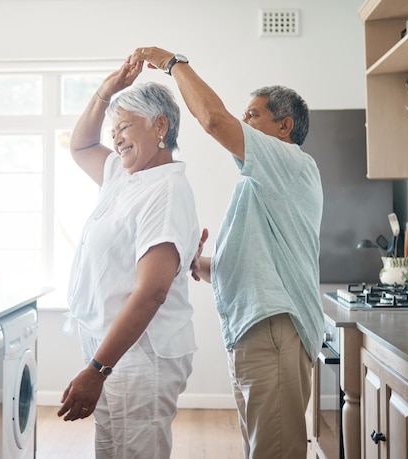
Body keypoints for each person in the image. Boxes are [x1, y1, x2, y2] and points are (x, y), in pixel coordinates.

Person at [132, 47, 324, 458]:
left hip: (273, 329)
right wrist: (196, 262)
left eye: (253, 115)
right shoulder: (259, 186)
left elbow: (214, 121)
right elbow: (248, 265)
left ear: (284, 126)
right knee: (261, 447)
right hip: (253, 332)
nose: (243, 122)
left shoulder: (291, 163)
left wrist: (173, 63)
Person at [56, 58, 200, 459]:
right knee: (112, 449)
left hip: (140, 355)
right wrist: (106, 90)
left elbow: (152, 291)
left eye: (124, 127)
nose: (115, 139)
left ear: (160, 126)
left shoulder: (166, 189)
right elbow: (80, 144)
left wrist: (98, 369)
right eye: (112, 130)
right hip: (114, 349)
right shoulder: (125, 176)